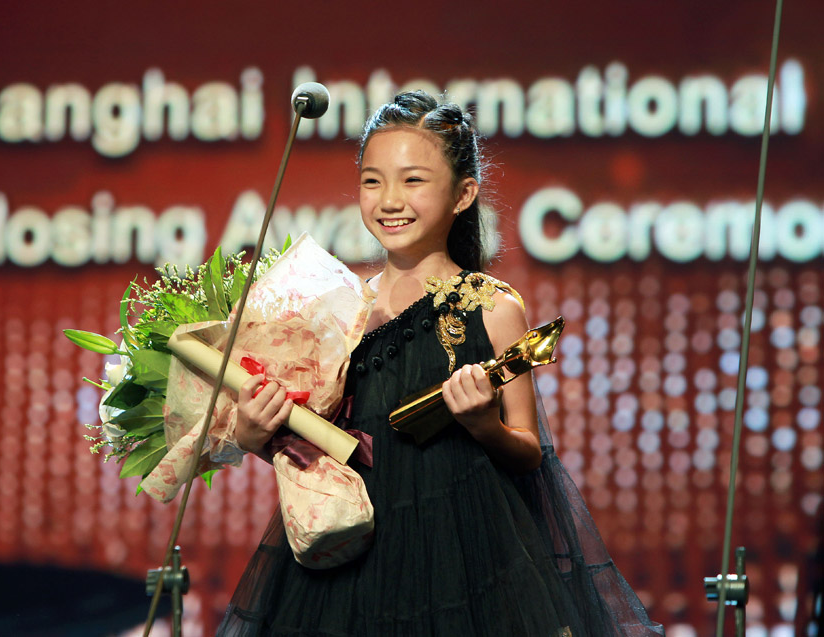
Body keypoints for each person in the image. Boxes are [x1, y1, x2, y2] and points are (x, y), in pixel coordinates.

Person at [219, 91, 663, 636]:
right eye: (372, 180)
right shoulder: (337, 310)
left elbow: (529, 453)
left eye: (413, 180)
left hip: (464, 556)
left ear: (463, 194)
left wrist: (483, 424)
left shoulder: (491, 306)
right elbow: (327, 452)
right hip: (351, 563)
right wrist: (255, 435)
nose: (388, 200)